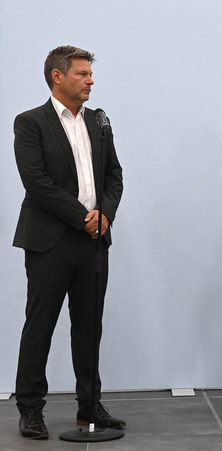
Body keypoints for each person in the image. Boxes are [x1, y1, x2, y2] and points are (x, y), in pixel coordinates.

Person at [12, 45, 125, 439]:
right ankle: (29, 409)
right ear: (57, 76)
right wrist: (83, 218)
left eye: (90, 74)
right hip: (50, 241)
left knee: (89, 325)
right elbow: (36, 182)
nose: (90, 80)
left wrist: (104, 214)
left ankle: (89, 405)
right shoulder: (30, 122)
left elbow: (114, 175)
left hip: (94, 239)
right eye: (82, 73)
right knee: (40, 325)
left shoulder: (99, 122)